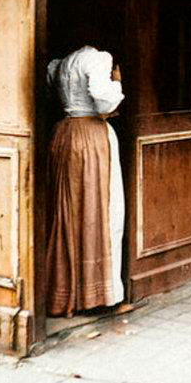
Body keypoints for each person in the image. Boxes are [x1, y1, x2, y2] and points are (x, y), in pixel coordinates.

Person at [45, 45, 125, 317]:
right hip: (91, 137)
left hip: (64, 133)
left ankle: (66, 289)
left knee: (68, 209)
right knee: (97, 208)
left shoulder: (60, 64)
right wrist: (118, 83)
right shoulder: (98, 58)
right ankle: (95, 294)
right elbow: (104, 101)